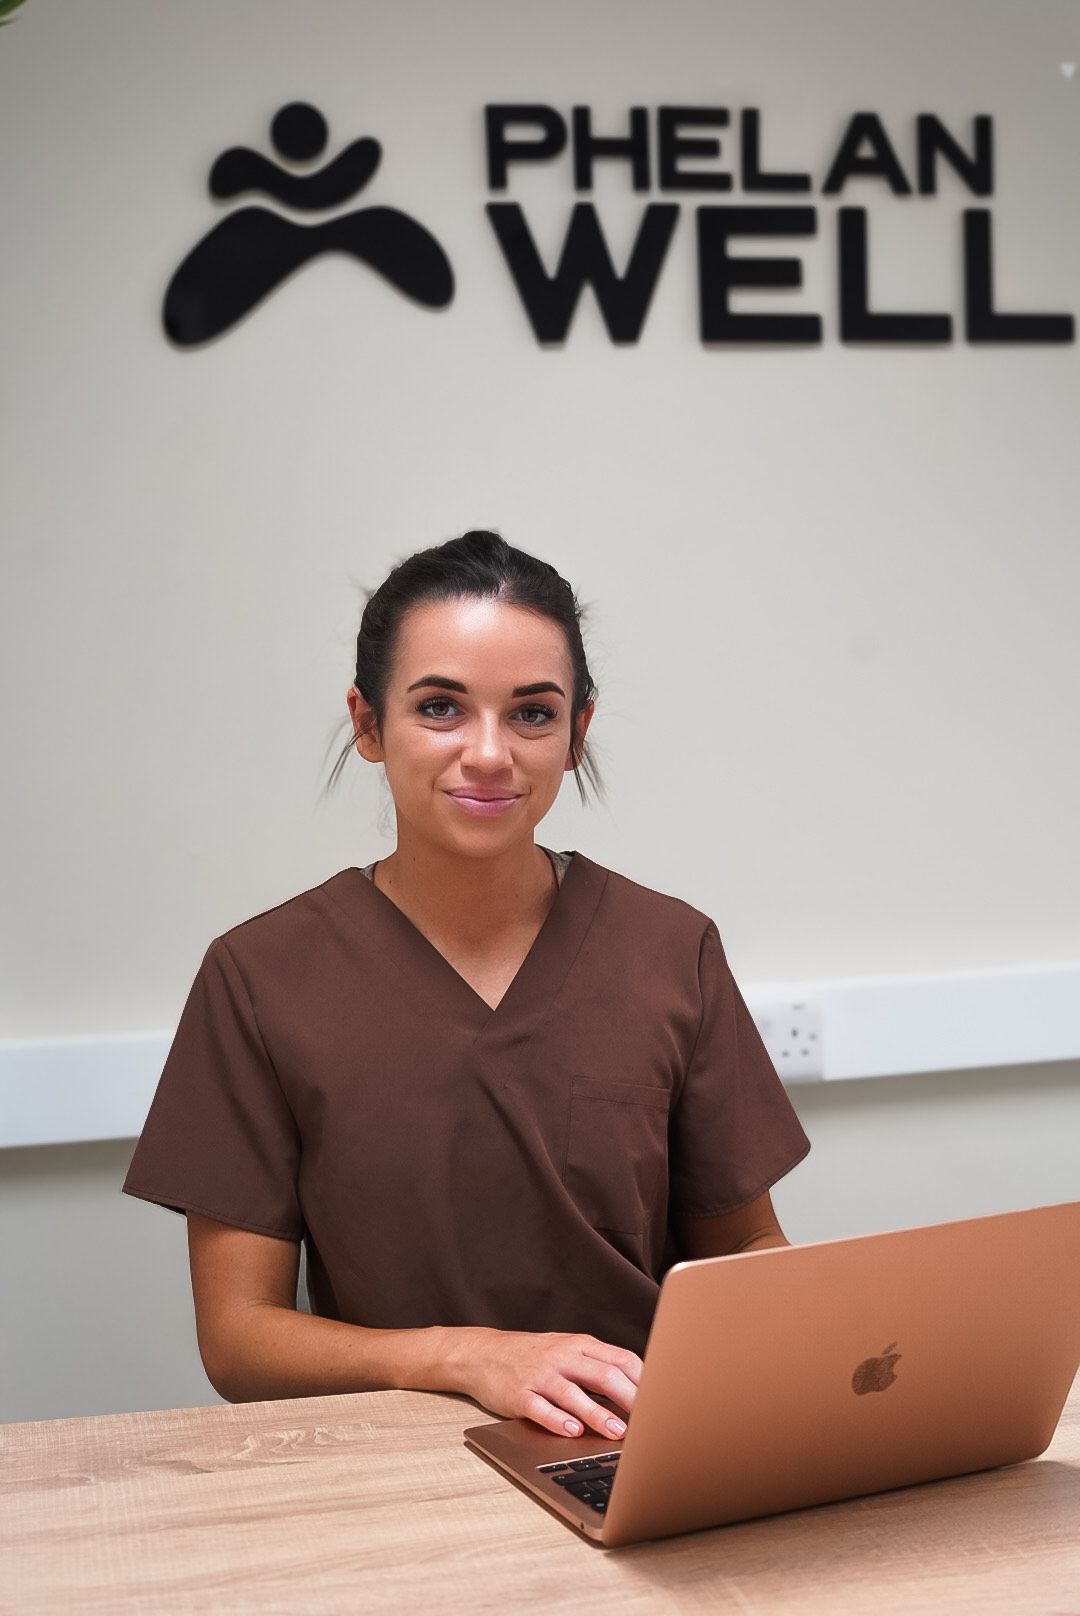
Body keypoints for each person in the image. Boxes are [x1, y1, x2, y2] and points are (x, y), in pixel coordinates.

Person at [122, 529, 810, 1443]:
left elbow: (749, 1249)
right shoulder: (260, 978)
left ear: (577, 735)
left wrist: (816, 1339)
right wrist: (461, 1358)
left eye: (532, 714)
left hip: (644, 1449)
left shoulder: (670, 948)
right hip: (399, 1470)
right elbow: (239, 1341)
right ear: (368, 725)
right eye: (441, 707)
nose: (489, 754)